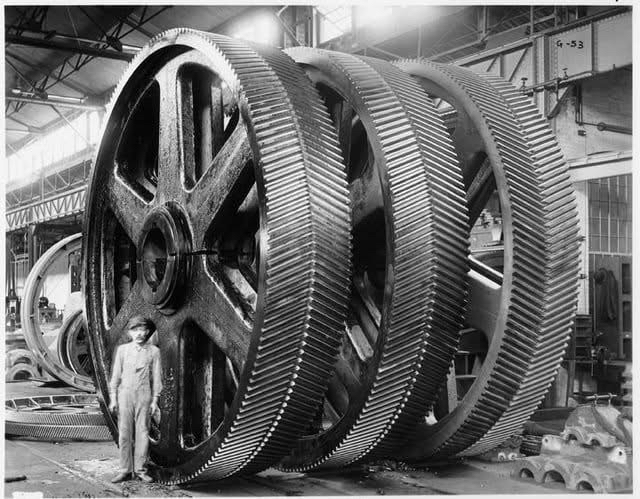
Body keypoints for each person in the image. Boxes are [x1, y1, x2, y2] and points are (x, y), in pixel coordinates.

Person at [109, 315, 163, 483]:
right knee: (124, 434)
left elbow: (157, 378)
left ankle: (140, 470)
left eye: (142, 330)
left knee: (143, 433)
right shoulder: (122, 350)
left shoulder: (154, 351)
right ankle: (124, 470)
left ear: (147, 332)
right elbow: (116, 376)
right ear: (129, 332)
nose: (139, 333)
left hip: (144, 395)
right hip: (124, 395)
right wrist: (113, 398)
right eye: (135, 330)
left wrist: (155, 400)